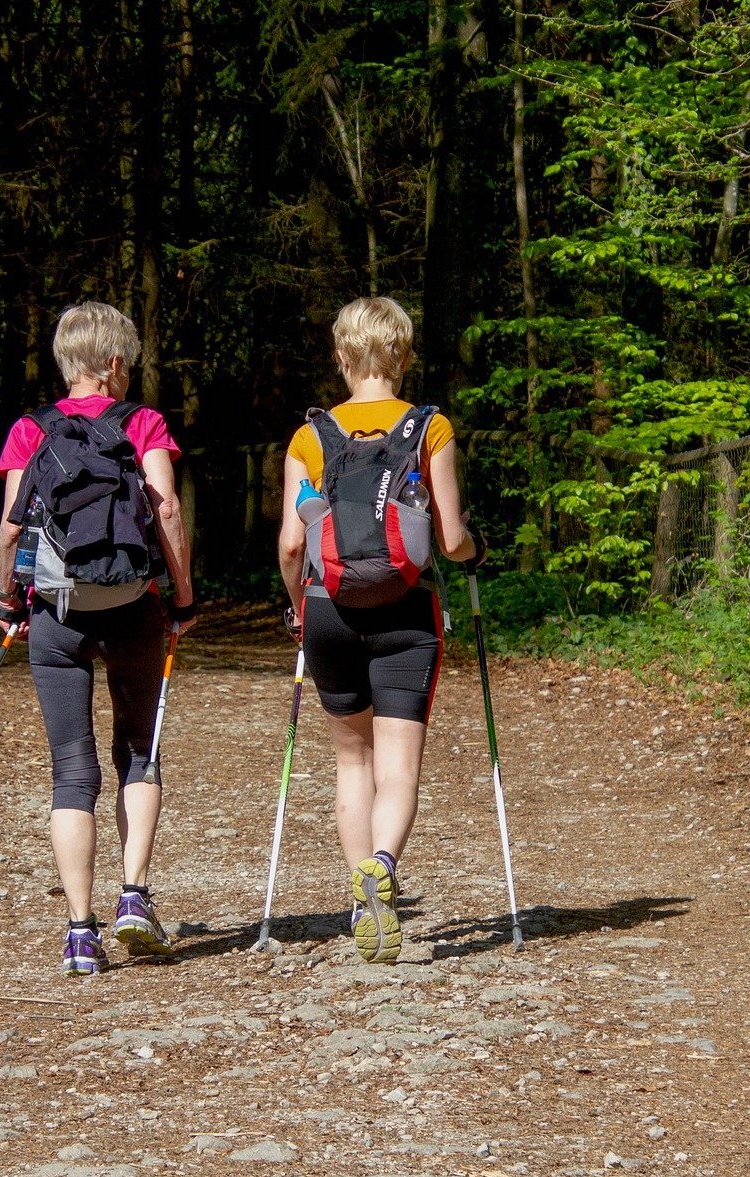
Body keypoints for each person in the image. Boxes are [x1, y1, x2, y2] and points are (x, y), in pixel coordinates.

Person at [277, 295, 484, 964]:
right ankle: (384, 862)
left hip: (326, 607)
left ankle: (361, 895)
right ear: (403, 356)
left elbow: (289, 543)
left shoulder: (309, 437)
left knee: (350, 759)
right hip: (404, 609)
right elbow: (449, 539)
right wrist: (475, 550)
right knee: (398, 766)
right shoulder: (429, 427)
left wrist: (295, 609)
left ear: (340, 358)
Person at [0, 301, 196, 977]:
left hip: (56, 611)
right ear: (115, 363)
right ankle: (133, 894)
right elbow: (164, 510)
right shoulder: (142, 424)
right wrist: (183, 594)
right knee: (138, 748)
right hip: (132, 603)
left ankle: (80, 932)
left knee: (71, 769)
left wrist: (7, 598)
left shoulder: (31, 430)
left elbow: (12, 530)